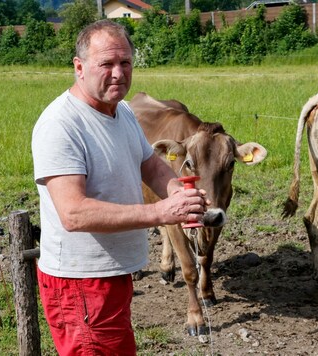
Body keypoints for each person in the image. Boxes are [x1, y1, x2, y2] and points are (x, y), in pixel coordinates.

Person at [31, 19, 208, 355]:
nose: (118, 73)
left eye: (125, 62)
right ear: (79, 67)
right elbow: (74, 213)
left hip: (113, 275)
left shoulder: (121, 112)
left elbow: (150, 164)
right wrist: (160, 211)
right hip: (80, 283)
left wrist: (178, 193)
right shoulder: (61, 125)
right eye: (106, 64)